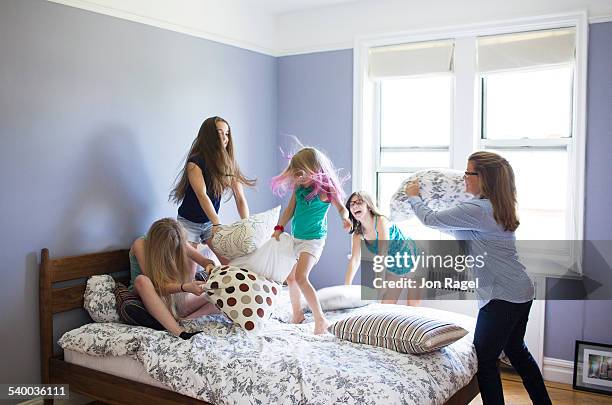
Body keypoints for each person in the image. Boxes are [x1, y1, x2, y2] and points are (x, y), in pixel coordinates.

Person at [404, 151, 552, 405]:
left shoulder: (478, 209)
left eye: (468, 172)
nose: (464, 177)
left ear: (483, 177)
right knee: (516, 350)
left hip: (502, 297)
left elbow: (430, 220)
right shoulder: (495, 206)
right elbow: (457, 231)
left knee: (485, 359)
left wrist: (414, 198)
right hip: (520, 291)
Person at [271, 147, 351, 334]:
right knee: (290, 278)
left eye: (302, 174)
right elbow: (289, 210)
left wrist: (345, 218)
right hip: (296, 238)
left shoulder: (326, 190)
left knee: (301, 277)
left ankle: (321, 320)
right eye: (296, 175)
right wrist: (279, 227)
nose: (298, 178)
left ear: (315, 169)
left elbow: (341, 208)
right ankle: (297, 314)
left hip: (313, 240)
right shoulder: (299, 188)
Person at [169, 116, 256, 263]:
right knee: (190, 273)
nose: (224, 137)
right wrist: (217, 223)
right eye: (219, 133)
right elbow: (202, 195)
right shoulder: (195, 162)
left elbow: (240, 198)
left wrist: (246, 224)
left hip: (209, 222)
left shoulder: (228, 164)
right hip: (189, 222)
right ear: (209, 135)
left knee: (229, 262)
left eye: (227, 133)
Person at [129, 218, 218, 339]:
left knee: (220, 294)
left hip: (173, 298)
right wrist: (184, 287)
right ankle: (179, 332)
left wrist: (210, 268)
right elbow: (157, 285)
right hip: (149, 296)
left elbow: (204, 261)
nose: (173, 251)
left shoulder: (177, 239)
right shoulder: (141, 244)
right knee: (142, 280)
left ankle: (187, 321)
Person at [344, 191, 420, 305]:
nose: (355, 206)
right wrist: (346, 288)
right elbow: (354, 260)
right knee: (386, 306)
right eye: (352, 204)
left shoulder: (380, 221)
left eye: (359, 202)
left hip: (413, 257)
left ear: (369, 206)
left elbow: (382, 253)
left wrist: (379, 282)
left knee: (413, 307)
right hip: (395, 266)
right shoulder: (358, 234)